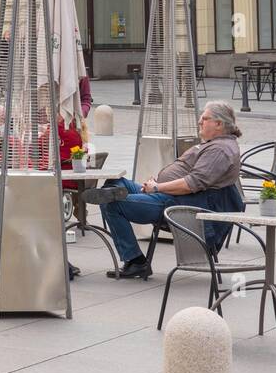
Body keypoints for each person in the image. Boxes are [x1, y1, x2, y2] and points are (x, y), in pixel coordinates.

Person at [84, 101, 246, 280]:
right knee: (117, 181)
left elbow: (191, 184)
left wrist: (157, 187)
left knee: (110, 203)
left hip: (176, 204)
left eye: (205, 118)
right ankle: (116, 190)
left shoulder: (220, 150)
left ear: (219, 124)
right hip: (166, 194)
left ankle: (135, 261)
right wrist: (157, 184)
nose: (200, 121)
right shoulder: (214, 144)